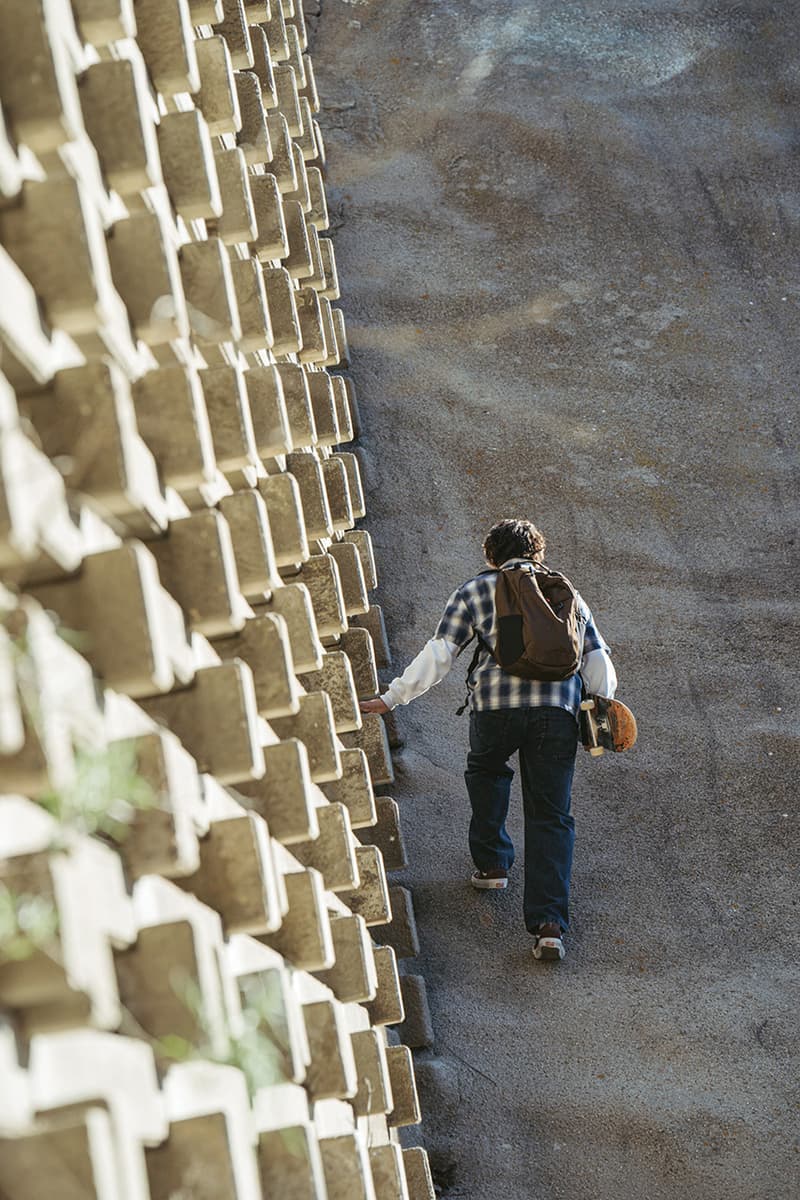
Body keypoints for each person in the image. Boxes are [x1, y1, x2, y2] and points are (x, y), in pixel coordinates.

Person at [359, 518, 617, 962]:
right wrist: (604, 707)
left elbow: (440, 655)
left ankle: (493, 863)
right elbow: (598, 663)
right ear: (538, 553)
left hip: (494, 710)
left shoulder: (475, 591)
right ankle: (549, 926)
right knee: (551, 815)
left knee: (486, 772)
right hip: (557, 715)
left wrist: (391, 698)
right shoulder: (564, 593)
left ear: (491, 556)